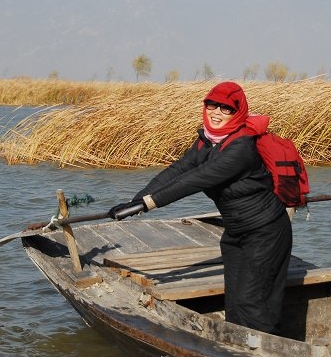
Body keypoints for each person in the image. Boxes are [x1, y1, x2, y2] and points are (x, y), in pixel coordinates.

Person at [108, 81, 293, 335]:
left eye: (225, 109)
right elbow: (179, 170)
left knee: (254, 302)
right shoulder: (207, 141)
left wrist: (147, 204)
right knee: (235, 304)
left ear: (237, 112)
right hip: (236, 233)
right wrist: (136, 201)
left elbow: (195, 180)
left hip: (265, 232)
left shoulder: (240, 148)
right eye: (212, 105)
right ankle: (238, 352)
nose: (216, 112)